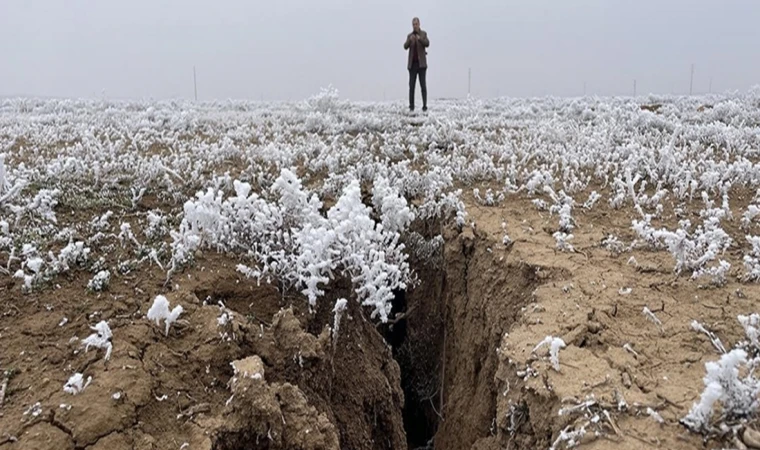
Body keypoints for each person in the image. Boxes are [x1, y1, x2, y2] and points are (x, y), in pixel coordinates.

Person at [404, 17, 429, 112]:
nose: (415, 26)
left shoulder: (423, 34)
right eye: (413, 24)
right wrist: (410, 40)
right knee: (411, 86)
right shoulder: (409, 36)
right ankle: (411, 107)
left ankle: (424, 106)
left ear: (419, 24)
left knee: (423, 86)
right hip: (412, 65)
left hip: (421, 64)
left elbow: (427, 43)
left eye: (416, 24)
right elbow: (405, 46)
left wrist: (420, 39)